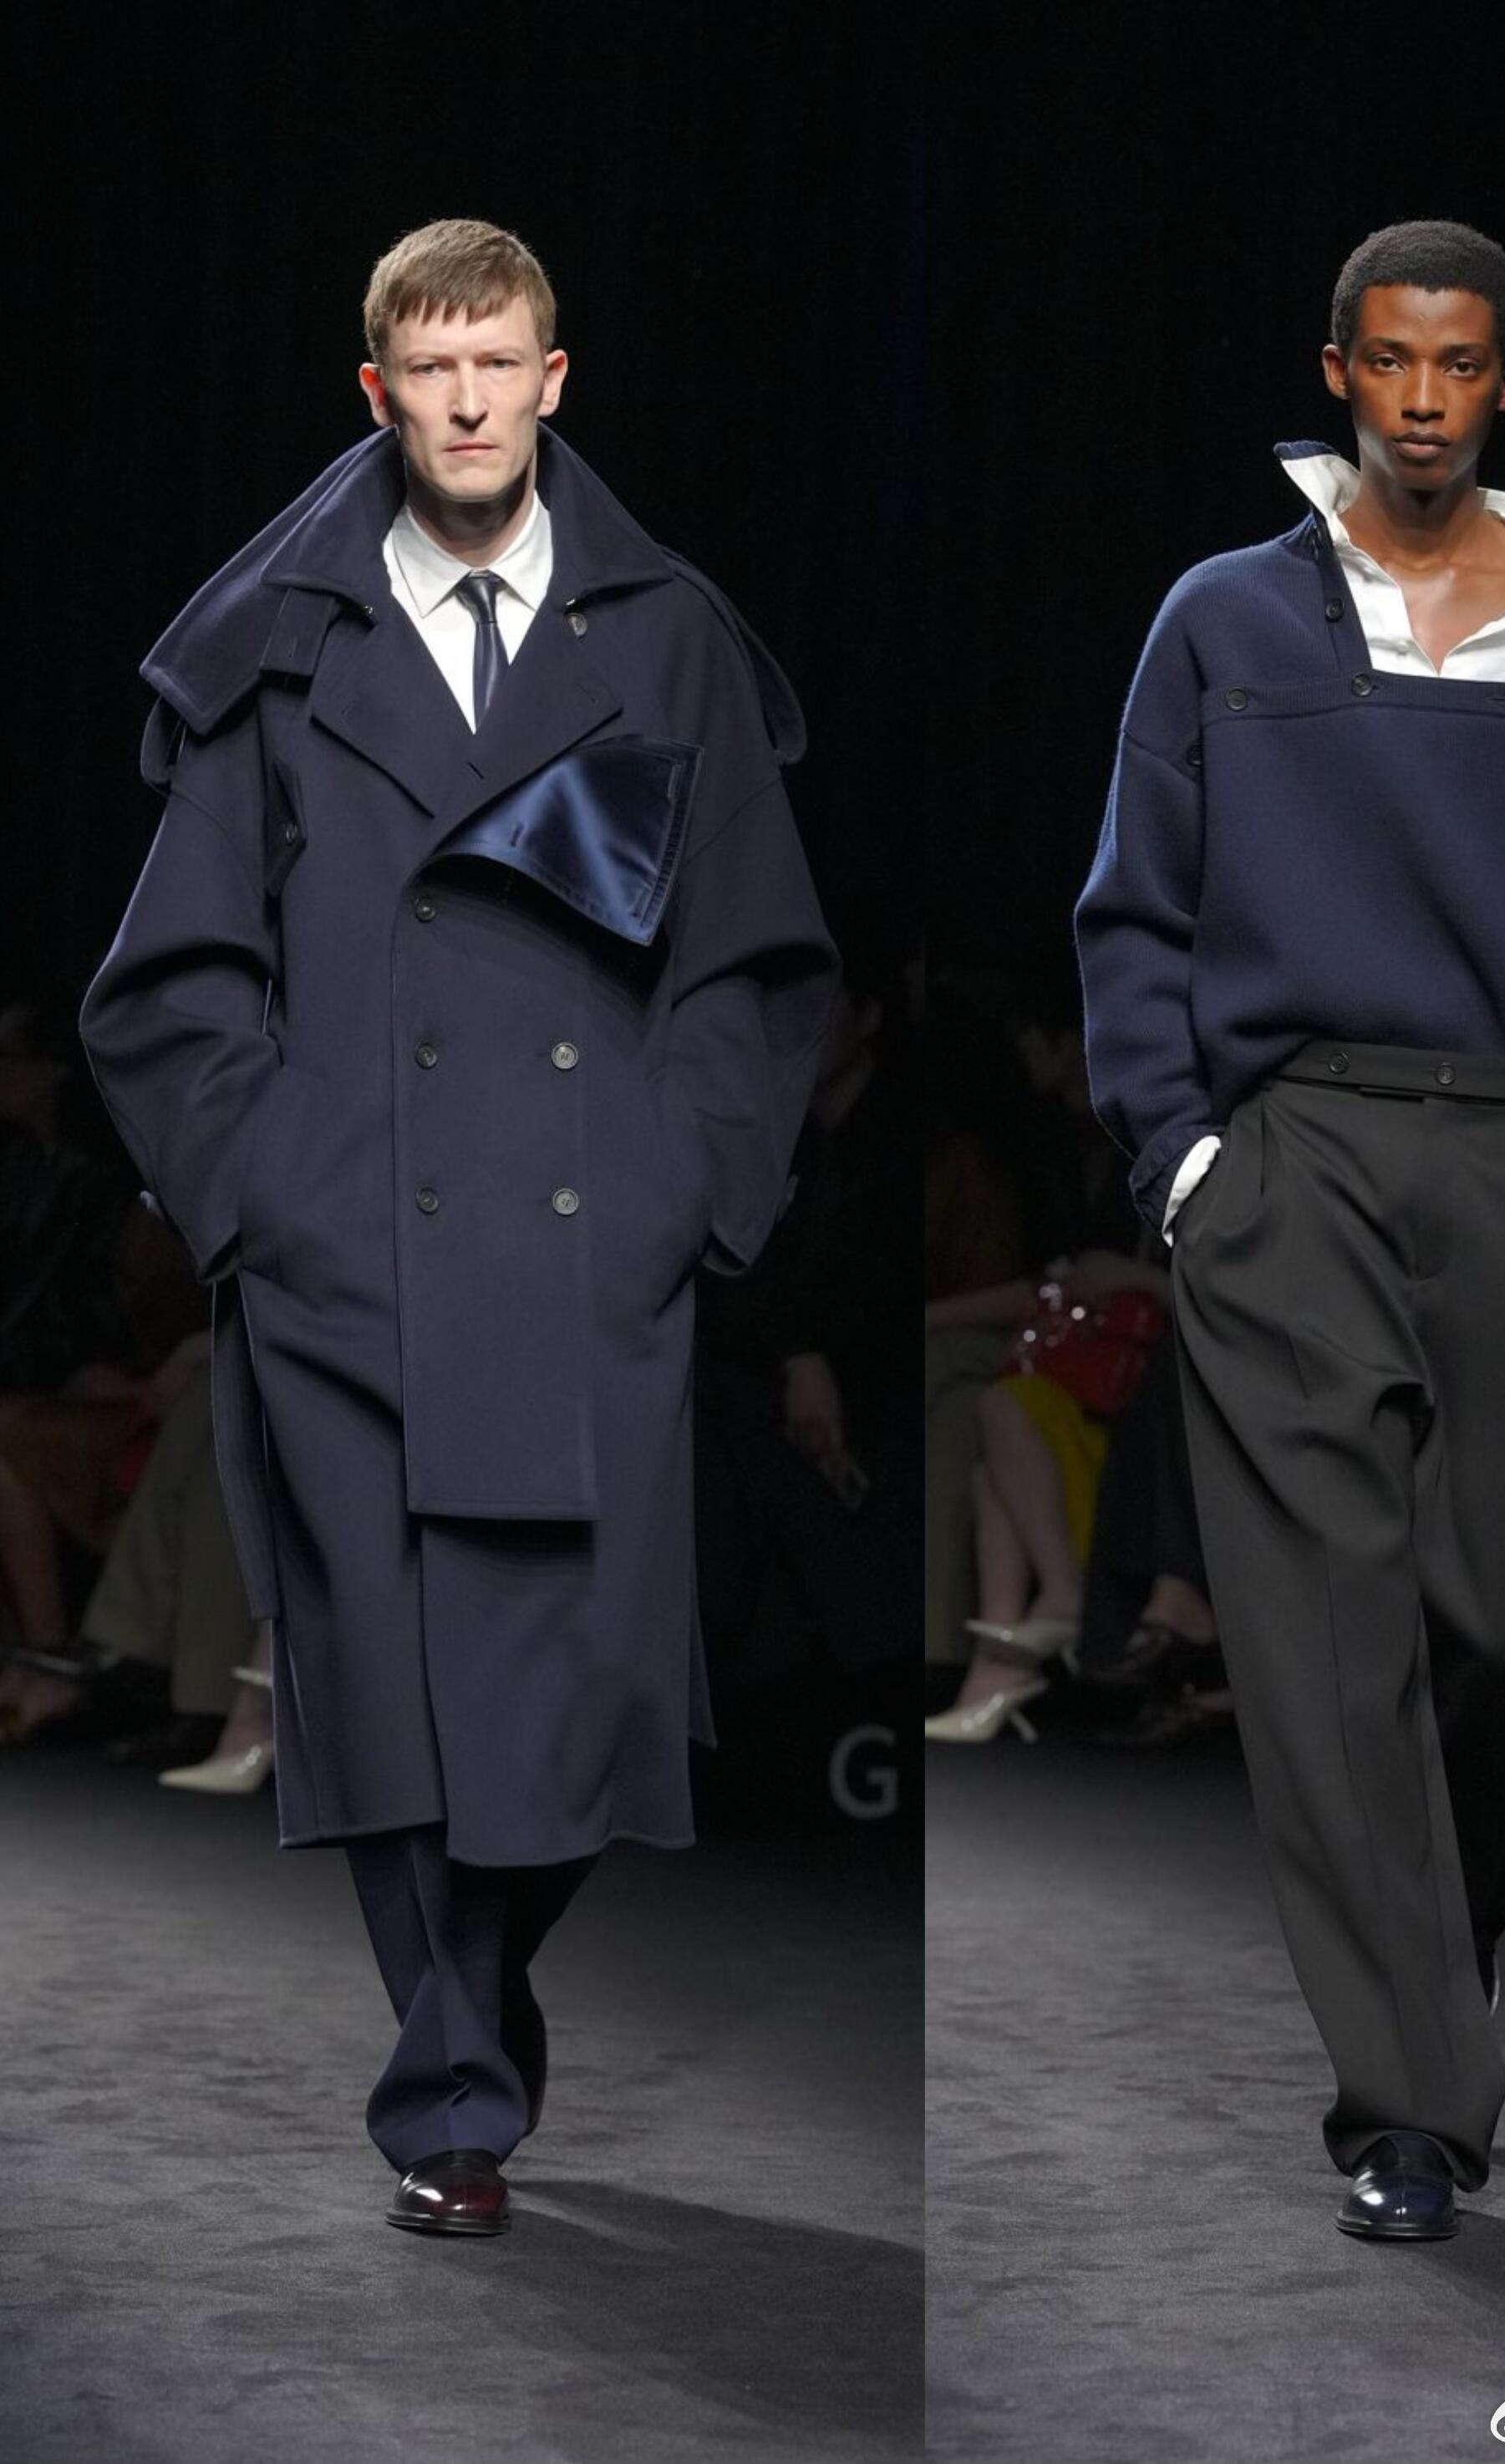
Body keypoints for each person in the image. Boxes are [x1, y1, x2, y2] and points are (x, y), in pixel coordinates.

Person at [79, 219, 837, 2237]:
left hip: (584, 1263)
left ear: (554, 379)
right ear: (380, 391)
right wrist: (268, 1193)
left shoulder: (657, 633)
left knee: (572, 1700)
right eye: (434, 370)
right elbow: (167, 977)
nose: (471, 401)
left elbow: (755, 961)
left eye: (501, 364)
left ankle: (469, 2011)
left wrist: (676, 1190)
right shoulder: (283, 640)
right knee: (388, 1690)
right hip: (349, 1256)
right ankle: (453, 2103)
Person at [1075, 220, 1505, 2241]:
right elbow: (1131, 905)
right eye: (1389, 361)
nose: (1424, 400)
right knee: (1320, 1642)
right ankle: (1409, 2109)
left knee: (1499, 1624)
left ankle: (1471, 1890)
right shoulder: (1221, 618)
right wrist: (1184, 1165)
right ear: (1337, 372)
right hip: (1294, 1156)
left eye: (1459, 366)